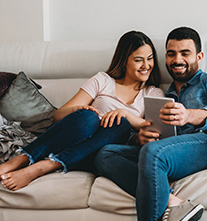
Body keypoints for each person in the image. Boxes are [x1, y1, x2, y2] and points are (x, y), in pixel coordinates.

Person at [94, 26, 207, 221]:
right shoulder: (163, 94)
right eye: (171, 54)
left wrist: (190, 115)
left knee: (154, 154)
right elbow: (152, 136)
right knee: (106, 153)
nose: (177, 60)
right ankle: (173, 202)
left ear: (199, 57)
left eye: (185, 53)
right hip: (171, 152)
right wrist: (141, 138)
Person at [0, 31, 164, 191]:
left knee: (121, 124)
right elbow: (58, 115)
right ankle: (22, 158)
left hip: (102, 153)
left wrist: (125, 113)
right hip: (75, 140)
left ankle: (43, 166)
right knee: (89, 116)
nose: (146, 65)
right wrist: (77, 109)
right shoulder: (103, 80)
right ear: (124, 61)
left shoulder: (153, 93)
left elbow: (153, 131)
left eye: (150, 59)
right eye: (138, 60)